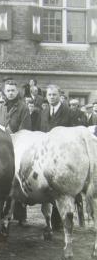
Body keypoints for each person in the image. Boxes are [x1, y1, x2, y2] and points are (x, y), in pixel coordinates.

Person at [0, 80, 31, 226]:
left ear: (17, 92)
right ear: (4, 92)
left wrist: (13, 134)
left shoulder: (23, 107)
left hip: (17, 146)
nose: (10, 93)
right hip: (1, 147)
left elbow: (26, 128)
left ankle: (20, 216)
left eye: (13, 91)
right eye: (8, 91)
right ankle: (0, 212)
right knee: (1, 179)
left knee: (17, 179)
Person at [40, 84, 76, 230]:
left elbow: (72, 134)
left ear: (59, 95)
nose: (51, 97)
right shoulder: (44, 112)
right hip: (47, 153)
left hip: (63, 154)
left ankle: (59, 220)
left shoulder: (68, 112)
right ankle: (49, 220)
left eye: (54, 95)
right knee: (47, 185)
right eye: (49, 95)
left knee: (60, 187)